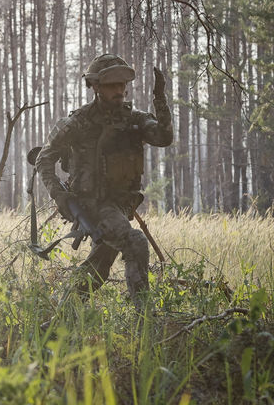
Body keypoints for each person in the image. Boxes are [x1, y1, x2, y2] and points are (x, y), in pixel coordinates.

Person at [36, 54, 173, 309]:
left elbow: (164, 137)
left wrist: (160, 98)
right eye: (112, 85)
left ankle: (60, 321)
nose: (119, 90)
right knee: (135, 243)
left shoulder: (134, 118)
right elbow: (44, 158)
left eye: (122, 85)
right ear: (96, 87)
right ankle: (146, 322)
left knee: (97, 269)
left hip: (121, 205)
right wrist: (59, 195)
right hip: (92, 203)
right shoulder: (78, 122)